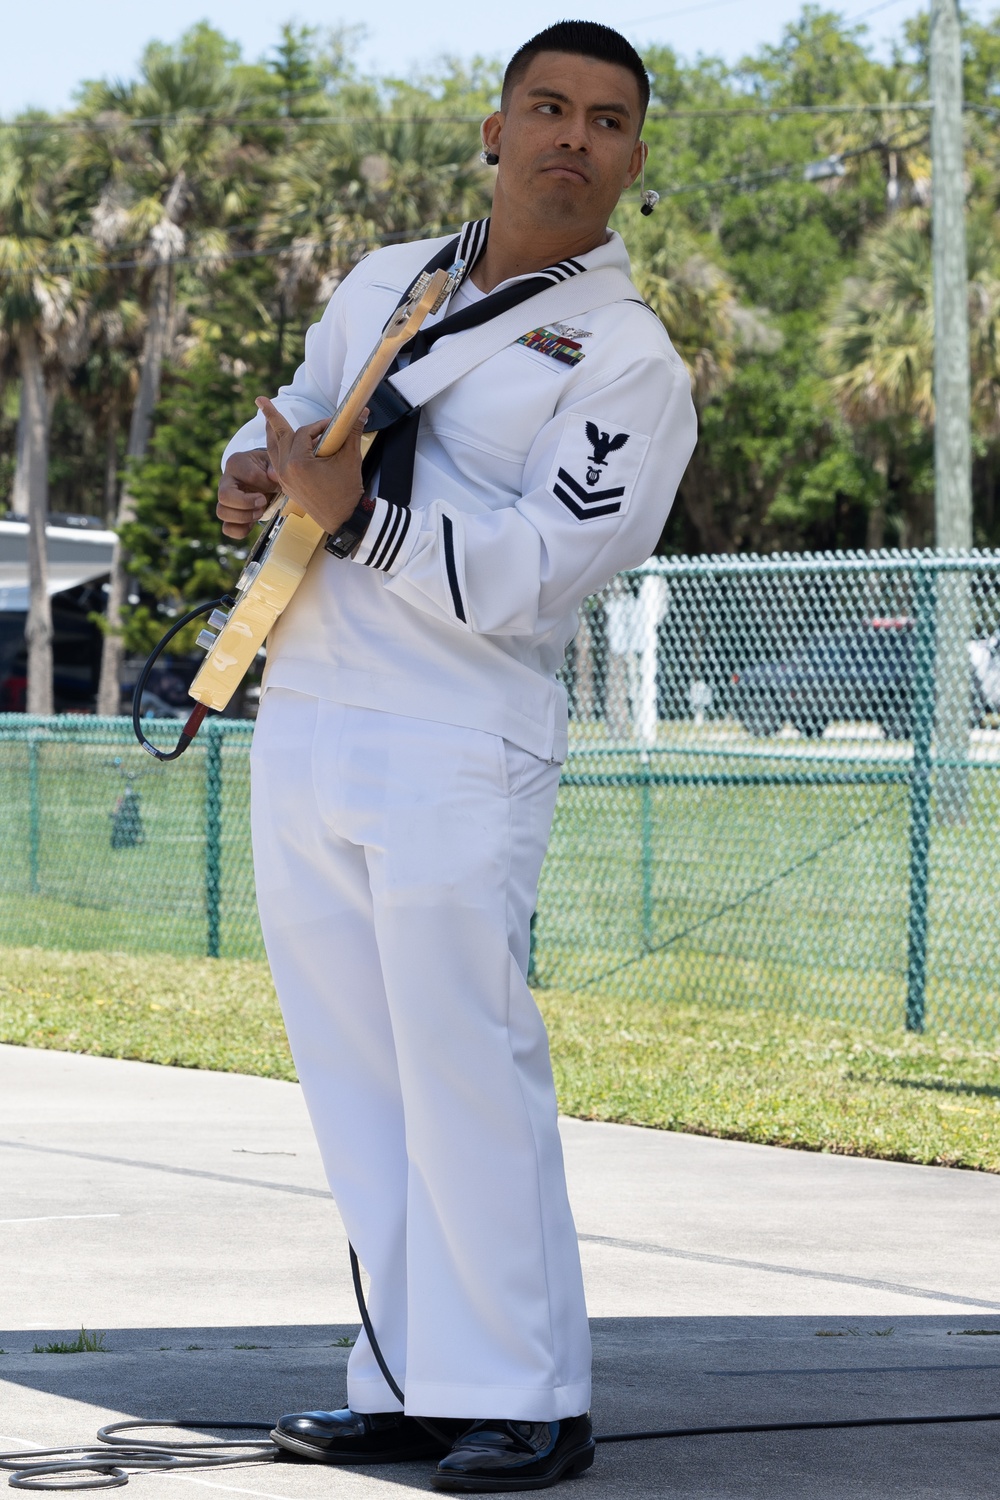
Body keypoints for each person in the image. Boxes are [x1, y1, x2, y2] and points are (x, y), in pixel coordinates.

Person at [216, 20, 696, 1493]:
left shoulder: (627, 357)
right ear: (494, 129)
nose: (572, 136)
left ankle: (527, 1393)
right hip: (306, 703)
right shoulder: (387, 280)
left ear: (628, 158)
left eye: (605, 119)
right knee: (359, 1080)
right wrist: (256, 466)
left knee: (463, 1070)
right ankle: (412, 1382)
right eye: (546, 107)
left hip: (455, 735)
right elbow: (303, 404)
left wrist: (350, 513)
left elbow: (546, 568)